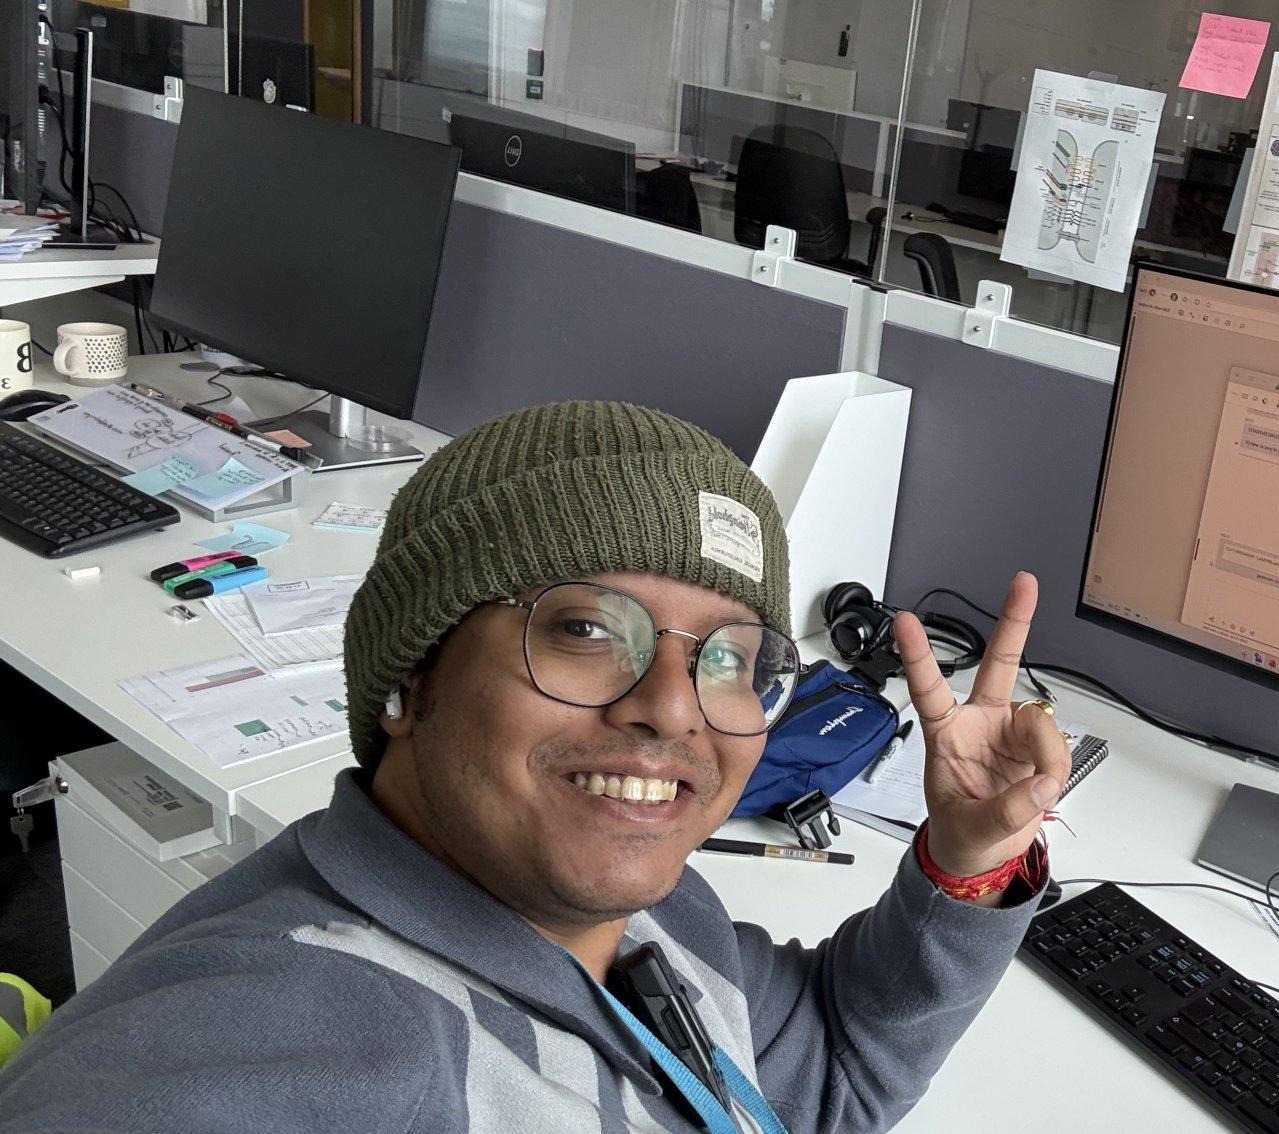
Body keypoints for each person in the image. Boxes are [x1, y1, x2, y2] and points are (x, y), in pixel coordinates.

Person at [0, 402, 1068, 1133]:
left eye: (730, 659)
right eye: (586, 629)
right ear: (408, 677)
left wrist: (969, 860)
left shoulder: (653, 924)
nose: (671, 708)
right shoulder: (295, 1041)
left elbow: (825, 1072)